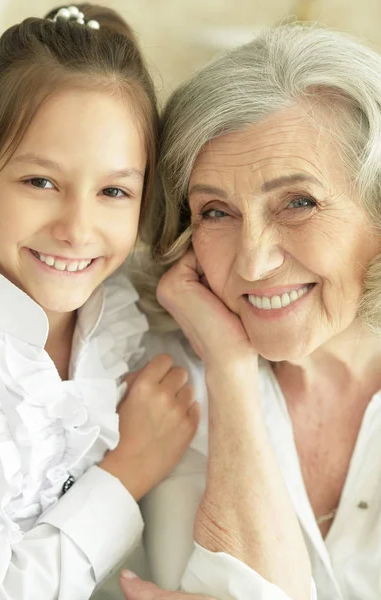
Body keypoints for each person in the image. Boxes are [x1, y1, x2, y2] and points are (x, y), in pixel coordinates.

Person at [119, 23, 381, 600]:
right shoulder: (136, 367)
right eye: (215, 211)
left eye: (298, 202)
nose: (254, 262)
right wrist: (229, 370)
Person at [0, 4, 200, 599]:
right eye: (41, 182)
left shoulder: (125, 315)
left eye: (113, 190)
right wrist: (127, 471)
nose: (78, 229)